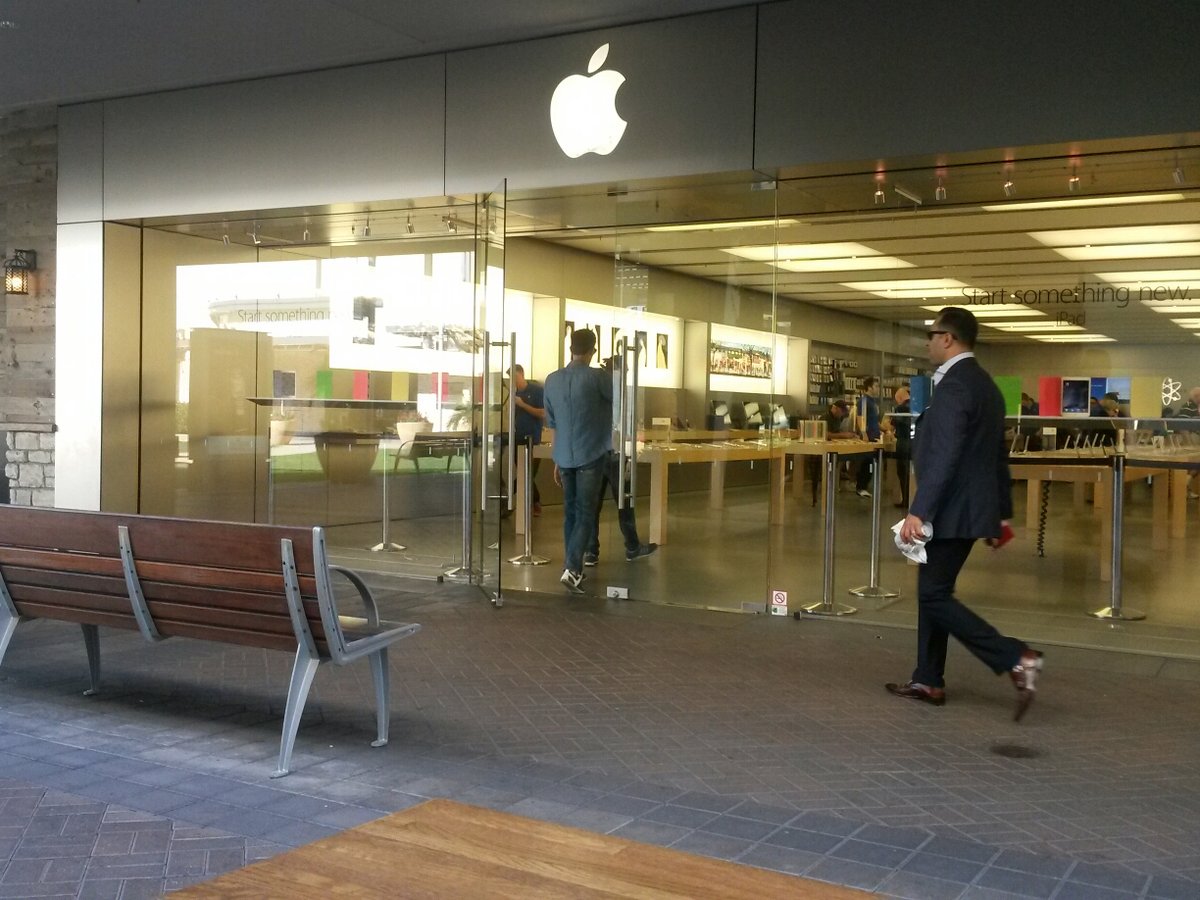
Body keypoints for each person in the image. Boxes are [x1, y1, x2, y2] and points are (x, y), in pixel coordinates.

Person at [887, 307, 1044, 722]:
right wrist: (1001, 516)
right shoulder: (986, 385)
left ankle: (1015, 657)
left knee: (933, 594)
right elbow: (996, 455)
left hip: (951, 510)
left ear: (948, 339)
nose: (927, 342)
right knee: (932, 591)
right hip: (970, 508)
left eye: (931, 334)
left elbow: (946, 455)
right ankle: (928, 679)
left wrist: (918, 510)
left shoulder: (957, 386)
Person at [543, 329, 612, 593]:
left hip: (564, 455)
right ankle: (572, 568)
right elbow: (620, 405)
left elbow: (553, 424)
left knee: (570, 512)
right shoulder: (598, 378)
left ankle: (570, 566)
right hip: (591, 454)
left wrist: (558, 460)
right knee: (585, 512)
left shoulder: (552, 380)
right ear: (592, 350)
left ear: (570, 348)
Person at [584, 355, 657, 566]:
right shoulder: (621, 393)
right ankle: (632, 546)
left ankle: (591, 550)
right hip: (615, 453)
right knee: (624, 502)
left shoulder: (595, 392)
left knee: (593, 504)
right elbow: (624, 426)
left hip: (595, 453)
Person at [509, 364, 545, 516]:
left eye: (515, 377)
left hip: (532, 439)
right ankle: (534, 502)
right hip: (517, 438)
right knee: (524, 473)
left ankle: (508, 496)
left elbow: (542, 413)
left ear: (522, 375)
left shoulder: (537, 391)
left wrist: (522, 404)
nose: (514, 381)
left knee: (528, 473)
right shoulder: (512, 393)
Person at [854, 376, 881, 498]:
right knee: (866, 461)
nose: (878, 389)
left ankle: (865, 485)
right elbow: (860, 417)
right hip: (868, 435)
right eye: (876, 386)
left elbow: (874, 420)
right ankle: (861, 486)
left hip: (874, 434)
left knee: (871, 461)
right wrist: (864, 433)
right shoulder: (864, 401)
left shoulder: (872, 402)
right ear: (869, 387)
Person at [890, 386, 912, 509]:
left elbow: (892, 425)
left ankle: (905, 500)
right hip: (914, 443)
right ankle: (910, 500)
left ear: (899, 398)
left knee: (902, 472)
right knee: (910, 474)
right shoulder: (916, 406)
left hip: (903, 443)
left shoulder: (900, 408)